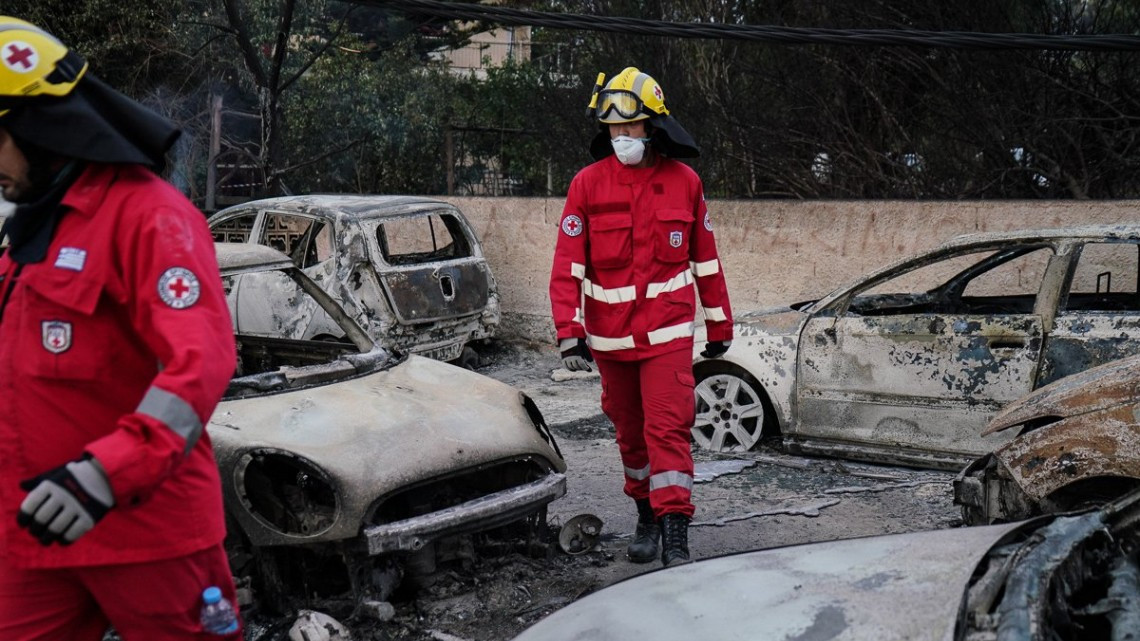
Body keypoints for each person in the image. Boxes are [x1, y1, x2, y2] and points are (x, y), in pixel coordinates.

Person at [0, 17, 241, 640]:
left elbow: (199, 367)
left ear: (32, 125)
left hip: (149, 536)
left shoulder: (150, 217)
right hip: (33, 536)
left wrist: (103, 474)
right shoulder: (29, 230)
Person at [549, 67, 734, 567]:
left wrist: (719, 327)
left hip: (668, 335)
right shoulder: (586, 185)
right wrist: (569, 334)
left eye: (630, 128)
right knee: (631, 438)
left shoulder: (685, 183)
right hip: (610, 343)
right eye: (613, 129)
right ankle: (646, 516)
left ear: (652, 125)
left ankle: (676, 532)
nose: (621, 138)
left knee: (667, 429)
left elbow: (707, 261)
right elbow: (568, 266)